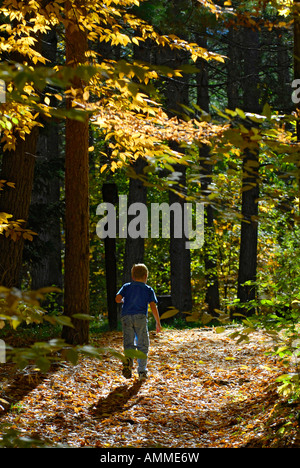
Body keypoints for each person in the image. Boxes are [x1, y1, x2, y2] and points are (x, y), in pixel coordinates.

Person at [115, 263, 161, 380]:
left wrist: (124, 300)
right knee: (142, 344)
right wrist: (157, 322)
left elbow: (117, 298)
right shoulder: (148, 289)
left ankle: (128, 361)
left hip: (126, 317)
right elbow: (153, 306)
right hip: (140, 317)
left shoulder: (126, 286)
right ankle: (141, 372)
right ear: (146, 276)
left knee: (129, 342)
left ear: (133, 276)